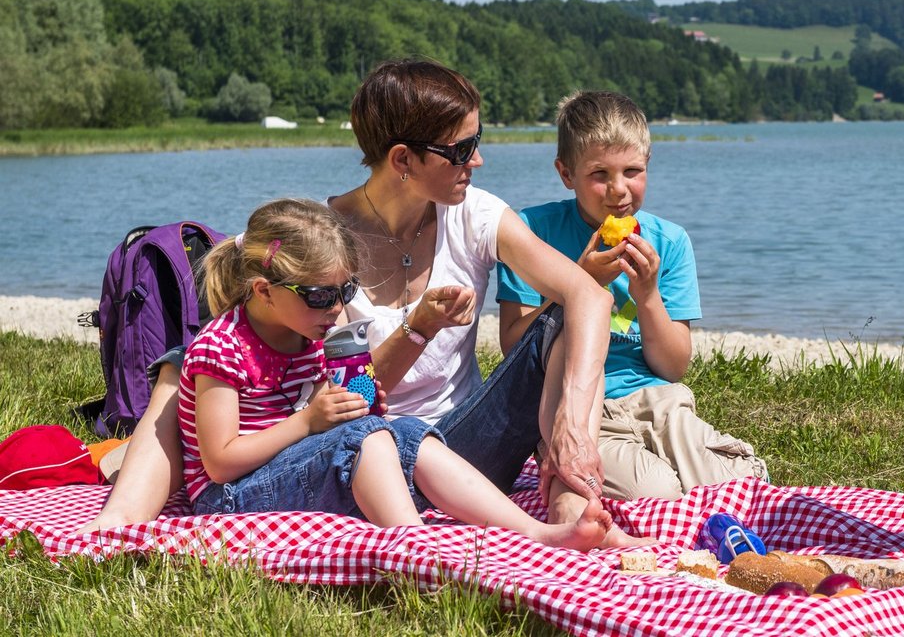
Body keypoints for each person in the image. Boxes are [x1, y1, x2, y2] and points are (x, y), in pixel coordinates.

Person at [82, 59, 627, 543]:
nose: (477, 159)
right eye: (460, 148)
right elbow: (351, 389)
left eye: (475, 140)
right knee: (185, 362)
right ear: (403, 160)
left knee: (565, 318)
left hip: (456, 451)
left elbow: (589, 298)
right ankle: (116, 529)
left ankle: (567, 506)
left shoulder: (477, 213)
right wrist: (418, 329)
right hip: (357, 451)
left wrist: (571, 426)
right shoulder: (322, 248)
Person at [178, 197, 608, 548]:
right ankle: (414, 548)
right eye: (320, 295)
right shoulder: (222, 346)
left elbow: (311, 425)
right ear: (263, 291)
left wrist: (352, 405)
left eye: (345, 290)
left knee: (399, 429)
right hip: (231, 499)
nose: (335, 307)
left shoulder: (305, 333)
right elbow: (220, 463)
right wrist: (309, 422)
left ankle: (534, 532)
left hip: (285, 470)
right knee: (365, 437)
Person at [496, 90, 767, 521]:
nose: (618, 190)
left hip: (658, 399)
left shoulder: (669, 241)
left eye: (633, 171)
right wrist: (579, 283)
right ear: (566, 174)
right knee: (656, 490)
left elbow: (673, 366)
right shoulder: (533, 232)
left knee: (733, 484)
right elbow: (514, 347)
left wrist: (647, 296)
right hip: (579, 407)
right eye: (599, 174)